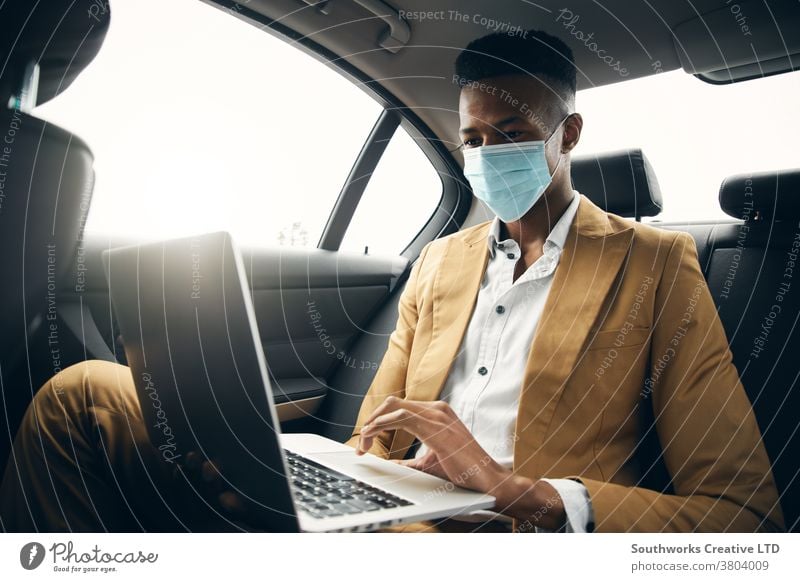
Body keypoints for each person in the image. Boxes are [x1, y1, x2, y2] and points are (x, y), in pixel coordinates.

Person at [0, 30, 784, 533]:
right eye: (473, 139)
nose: (486, 157)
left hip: (514, 535)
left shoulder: (656, 266)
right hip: (383, 520)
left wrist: (521, 492)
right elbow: (374, 435)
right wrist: (338, 469)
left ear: (568, 134)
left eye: (512, 136)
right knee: (85, 391)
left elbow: (741, 514)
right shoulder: (441, 262)